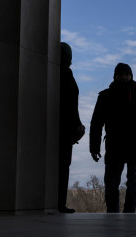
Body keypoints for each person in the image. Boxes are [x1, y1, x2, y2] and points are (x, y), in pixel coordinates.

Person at [90, 63, 136, 213]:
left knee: (132, 181)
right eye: (120, 74)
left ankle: (129, 212)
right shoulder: (105, 96)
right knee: (112, 183)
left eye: (126, 74)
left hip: (135, 144)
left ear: (131, 75)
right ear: (115, 76)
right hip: (115, 145)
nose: (123, 77)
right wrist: (94, 147)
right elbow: (96, 123)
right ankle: (113, 212)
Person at [59, 42, 85, 214]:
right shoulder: (66, 75)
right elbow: (70, 106)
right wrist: (77, 126)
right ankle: (59, 202)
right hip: (64, 129)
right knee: (62, 165)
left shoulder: (58, 74)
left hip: (62, 127)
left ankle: (57, 202)